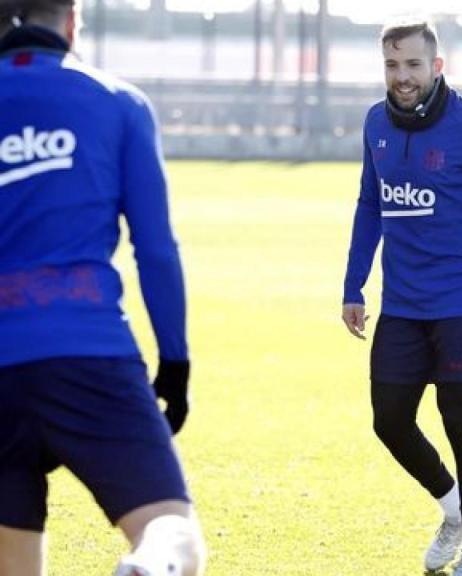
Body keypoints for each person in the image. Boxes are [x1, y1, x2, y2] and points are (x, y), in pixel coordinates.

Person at [0, 1, 205, 574]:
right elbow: (156, 248)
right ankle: (150, 565)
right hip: (87, 351)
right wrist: (175, 363)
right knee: (170, 530)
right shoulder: (116, 103)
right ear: (71, 22)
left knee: (12, 559)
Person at [341, 19, 462, 576]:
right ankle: (453, 510)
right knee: (389, 420)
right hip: (401, 303)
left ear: (436, 67)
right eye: (392, 66)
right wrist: (354, 284)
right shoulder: (376, 122)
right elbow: (370, 206)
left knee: (459, 421)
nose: (402, 77)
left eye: (413, 65)